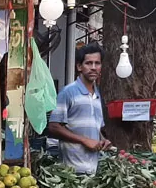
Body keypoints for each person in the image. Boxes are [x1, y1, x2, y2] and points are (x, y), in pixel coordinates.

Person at [48, 43, 111, 175]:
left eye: (97, 63)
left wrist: (102, 140)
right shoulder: (68, 92)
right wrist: (84, 140)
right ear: (79, 67)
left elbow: (96, 127)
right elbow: (54, 127)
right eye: (88, 63)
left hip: (92, 169)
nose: (93, 68)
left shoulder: (97, 95)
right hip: (71, 171)